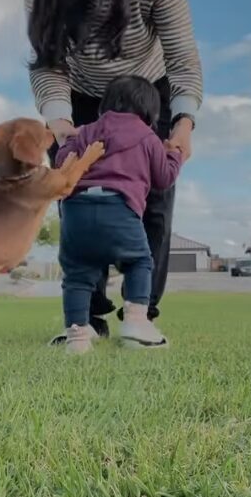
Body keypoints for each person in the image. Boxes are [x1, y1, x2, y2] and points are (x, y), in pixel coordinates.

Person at [25, 0, 202, 343]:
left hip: (150, 92)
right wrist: (60, 128)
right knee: (80, 199)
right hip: (81, 100)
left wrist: (183, 122)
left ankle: (142, 313)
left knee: (155, 201)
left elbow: (183, 55)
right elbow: (47, 63)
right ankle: (90, 315)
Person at [56, 76, 184, 353]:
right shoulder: (148, 136)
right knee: (139, 261)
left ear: (105, 105)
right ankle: (136, 322)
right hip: (120, 209)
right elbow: (164, 179)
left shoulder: (88, 131)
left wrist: (68, 142)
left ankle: (77, 337)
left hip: (76, 212)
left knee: (78, 274)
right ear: (151, 112)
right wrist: (174, 154)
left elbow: (61, 162)